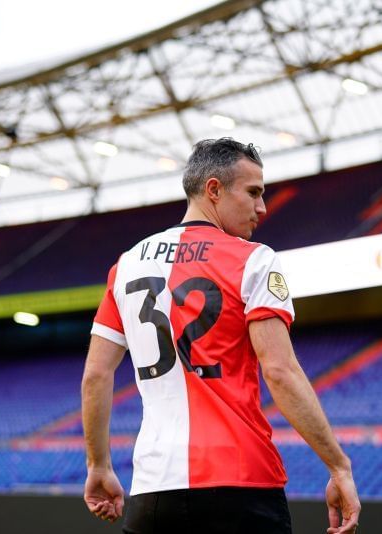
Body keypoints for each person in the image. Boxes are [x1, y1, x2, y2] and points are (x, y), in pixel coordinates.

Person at [82, 138, 360, 533]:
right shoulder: (254, 259)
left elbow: (96, 375)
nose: (261, 208)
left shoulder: (126, 265)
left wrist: (98, 466)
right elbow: (280, 371)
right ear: (213, 189)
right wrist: (338, 466)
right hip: (240, 486)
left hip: (153, 493)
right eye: (253, 192)